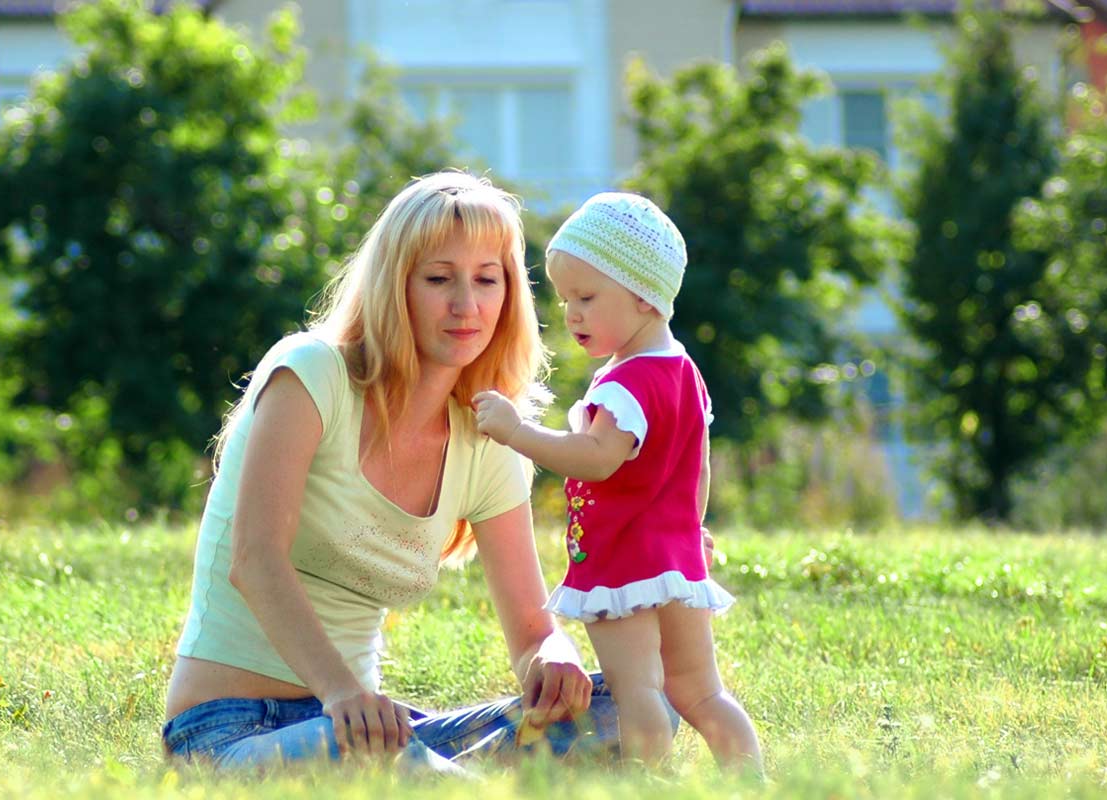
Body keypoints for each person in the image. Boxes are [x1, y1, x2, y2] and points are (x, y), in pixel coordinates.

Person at [162, 172, 643, 771]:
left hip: (375, 730)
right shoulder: (311, 373)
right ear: (395, 286)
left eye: (486, 279)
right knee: (391, 760)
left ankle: (445, 774)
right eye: (439, 279)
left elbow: (530, 629)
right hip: (230, 731)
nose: (466, 305)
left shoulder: (490, 435)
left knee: (633, 706)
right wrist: (341, 695)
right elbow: (255, 561)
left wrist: (554, 655)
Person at [472, 192, 764, 773]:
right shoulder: (684, 371)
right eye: (565, 300)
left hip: (624, 564)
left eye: (586, 298)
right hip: (675, 562)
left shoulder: (624, 385)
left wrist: (516, 430)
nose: (571, 315)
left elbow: (596, 458)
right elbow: (698, 467)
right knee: (701, 691)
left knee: (638, 692)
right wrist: (691, 531)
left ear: (643, 296)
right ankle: (751, 777)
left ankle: (647, 780)